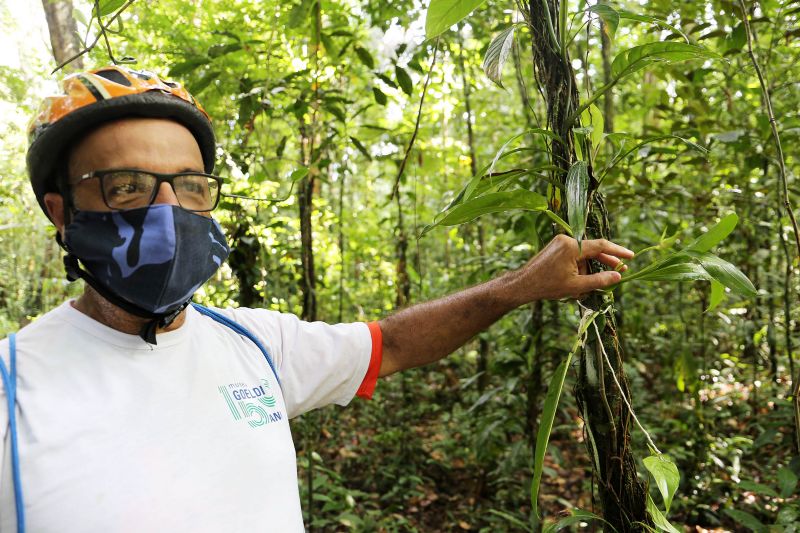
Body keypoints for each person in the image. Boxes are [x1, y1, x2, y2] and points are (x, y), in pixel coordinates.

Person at [0, 65, 633, 532]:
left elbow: (392, 343)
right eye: (127, 186)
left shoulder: (256, 346)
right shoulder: (12, 385)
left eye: (191, 188)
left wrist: (522, 286)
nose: (170, 212)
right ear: (61, 212)